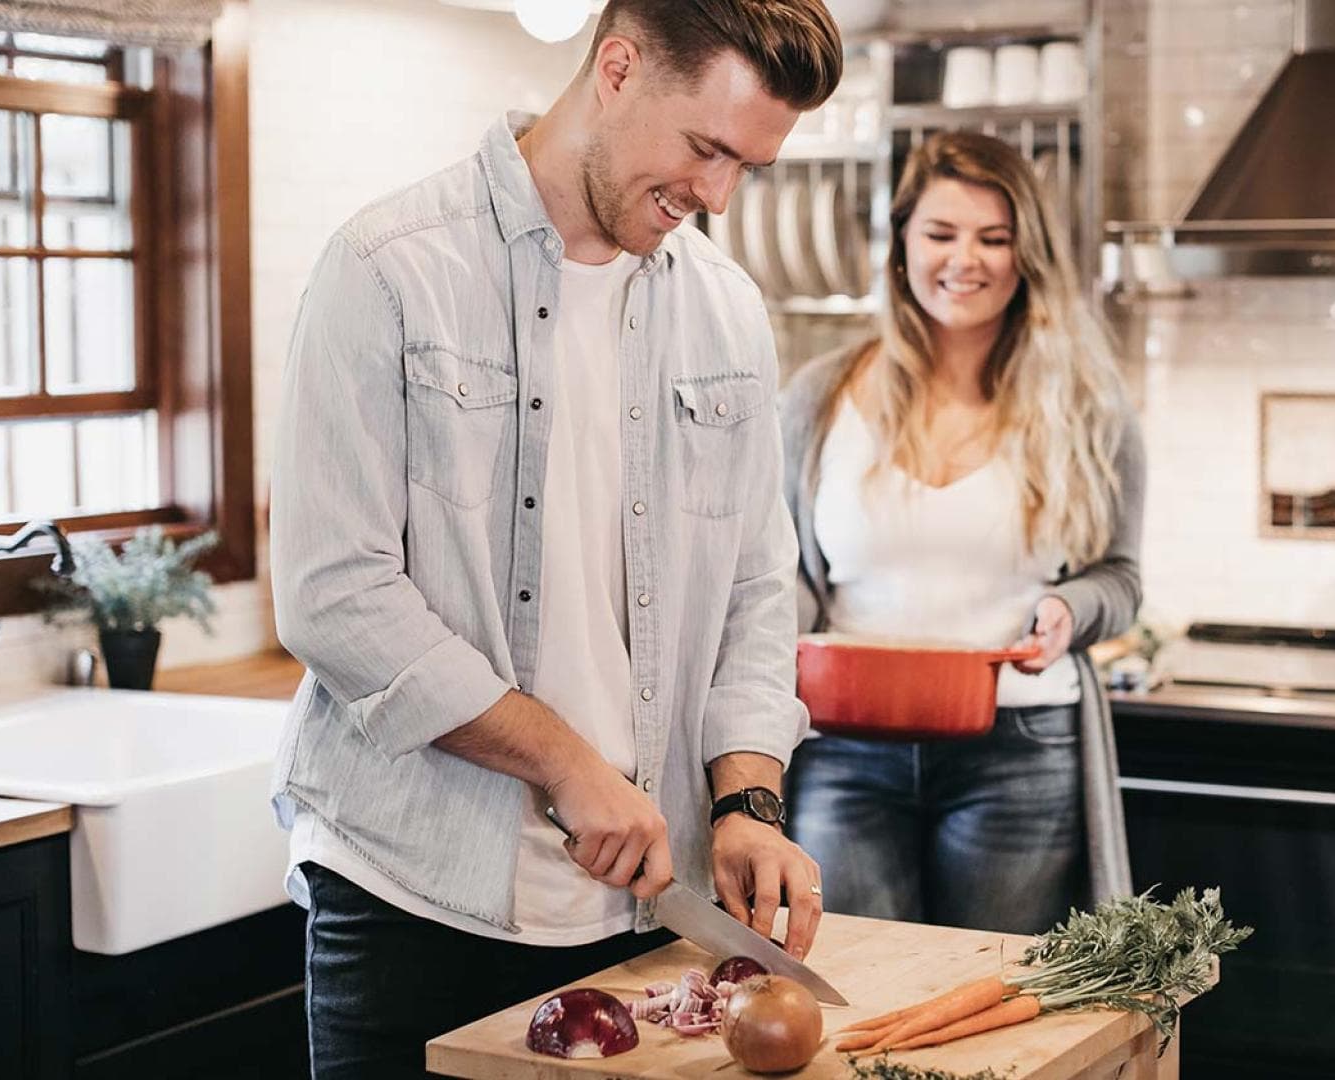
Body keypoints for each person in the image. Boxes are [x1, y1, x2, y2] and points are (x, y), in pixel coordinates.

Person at [267, 2, 843, 1073]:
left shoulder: (726, 310)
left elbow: (760, 593)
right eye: (707, 149)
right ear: (616, 69)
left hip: (640, 917)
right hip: (416, 897)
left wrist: (747, 801)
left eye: (746, 169)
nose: (716, 196)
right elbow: (333, 594)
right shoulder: (389, 268)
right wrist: (564, 761)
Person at [779, 131, 1145, 935]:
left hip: (1019, 746)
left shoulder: (1087, 406)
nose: (964, 260)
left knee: (994, 1007)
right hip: (845, 748)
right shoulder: (819, 397)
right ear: (902, 242)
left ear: (1028, 255)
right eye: (941, 234)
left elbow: (1120, 577)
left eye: (994, 238)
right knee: (848, 987)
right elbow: (784, 578)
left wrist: (1071, 611)